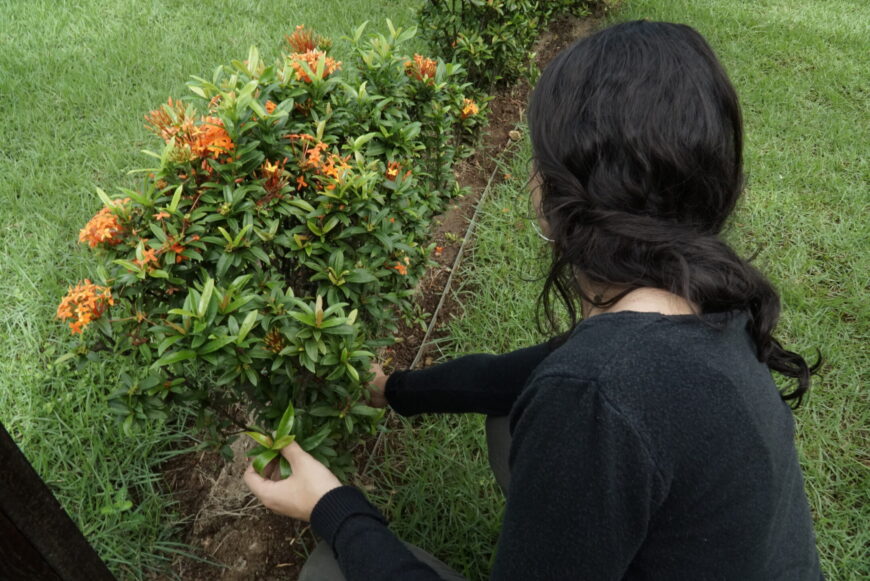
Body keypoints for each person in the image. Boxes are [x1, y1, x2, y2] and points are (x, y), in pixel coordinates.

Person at [244, 20, 824, 580]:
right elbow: (511, 377)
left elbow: (578, 390)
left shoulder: (597, 395)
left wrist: (332, 506)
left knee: (328, 569)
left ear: (563, 194)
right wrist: (390, 388)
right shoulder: (698, 300)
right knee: (511, 421)